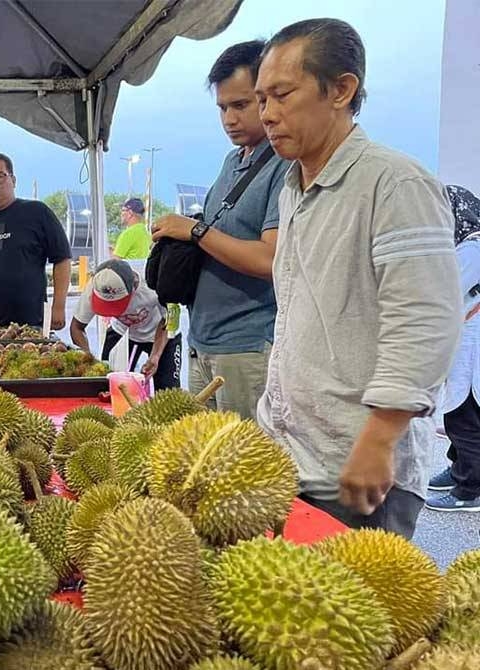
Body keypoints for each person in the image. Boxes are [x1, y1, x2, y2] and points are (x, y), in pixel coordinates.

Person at [253, 18, 461, 537]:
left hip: (359, 466)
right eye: (262, 100)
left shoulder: (395, 183)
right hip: (295, 457)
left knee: (358, 612)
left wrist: (380, 437)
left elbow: (426, 318)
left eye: (282, 94)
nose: (268, 115)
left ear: (342, 89)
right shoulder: (292, 189)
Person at [151, 40, 288, 420]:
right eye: (222, 108)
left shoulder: (283, 167)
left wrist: (193, 231)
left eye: (241, 105)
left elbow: (270, 259)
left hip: (247, 345)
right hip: (202, 341)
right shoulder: (232, 161)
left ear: (267, 97)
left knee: (243, 468)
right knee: (202, 462)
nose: (229, 118)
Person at [0, 152, 72, 329]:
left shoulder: (37, 213)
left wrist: (58, 306)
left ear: (13, 180)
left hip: (28, 326)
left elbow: (62, 259)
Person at [427, 185, 480, 512]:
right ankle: (460, 467)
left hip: (472, 340)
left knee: (464, 415)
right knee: (462, 410)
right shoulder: (466, 243)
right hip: (465, 333)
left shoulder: (469, 249)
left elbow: (446, 295)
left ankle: (469, 490)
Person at [70, 259, 180, 390]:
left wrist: (156, 355)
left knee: (168, 392)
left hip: (161, 333)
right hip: (123, 332)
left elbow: (172, 317)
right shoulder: (96, 286)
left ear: (133, 287)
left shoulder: (154, 283)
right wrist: (88, 358)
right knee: (108, 385)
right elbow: (76, 327)